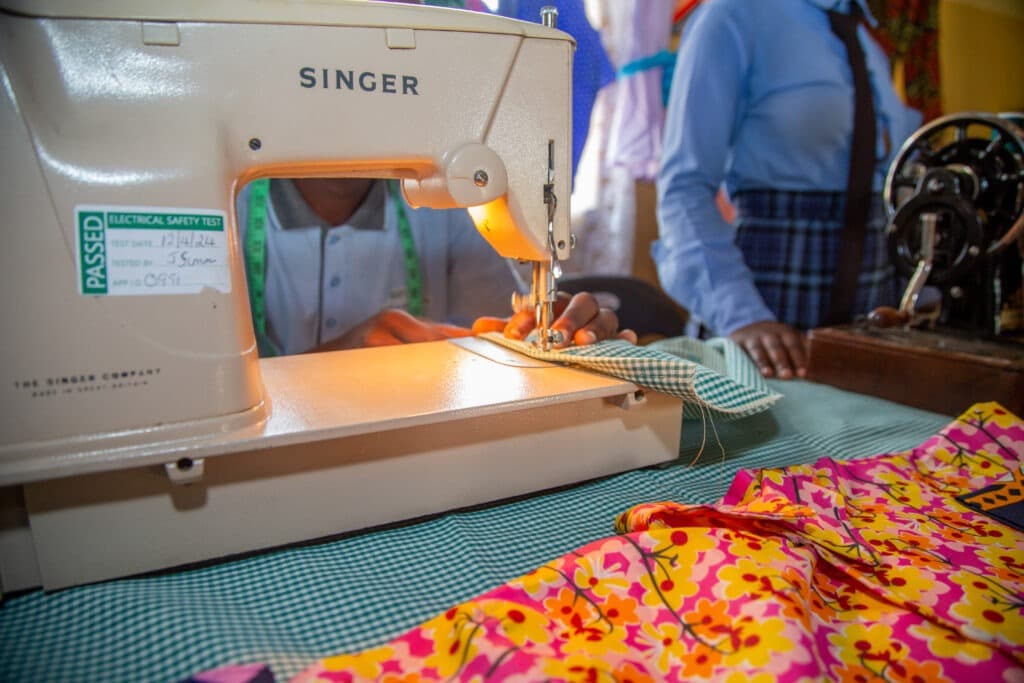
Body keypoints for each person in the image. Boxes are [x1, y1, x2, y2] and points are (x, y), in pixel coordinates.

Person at [653, 0, 921, 379]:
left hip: (868, 305)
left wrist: (923, 296)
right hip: (766, 305)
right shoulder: (732, 17)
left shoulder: (866, 41)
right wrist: (742, 315)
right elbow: (685, 187)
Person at [237, 177, 635, 356]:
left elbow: (505, 331)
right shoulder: (221, 209)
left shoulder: (440, 206)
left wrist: (552, 328)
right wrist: (334, 363)